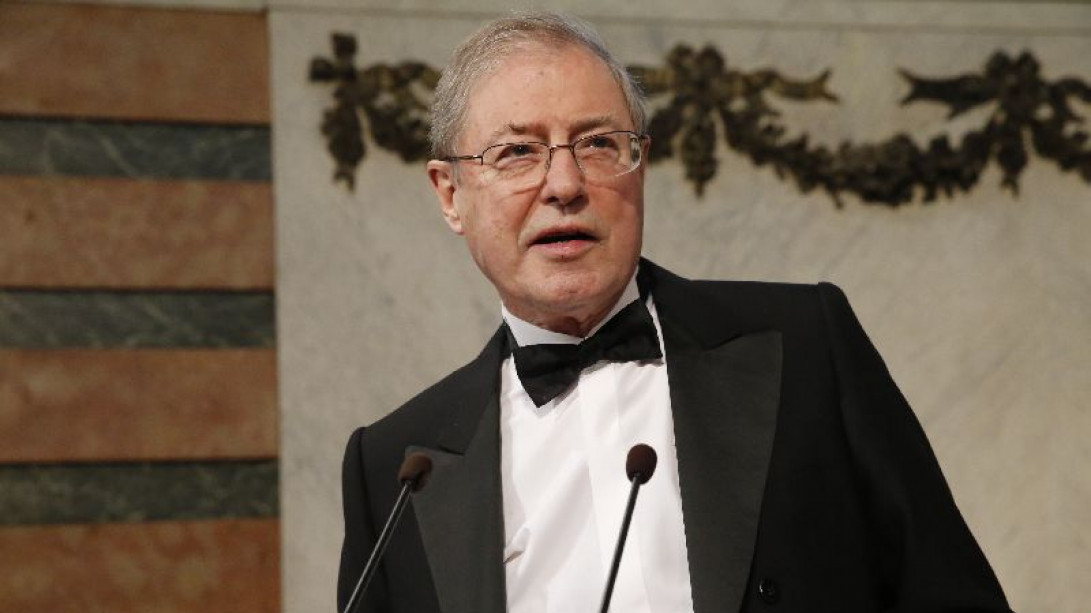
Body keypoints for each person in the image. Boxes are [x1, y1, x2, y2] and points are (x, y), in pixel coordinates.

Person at [338, 11, 1012, 613]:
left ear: (640, 165)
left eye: (599, 143)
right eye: (517, 152)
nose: (566, 185)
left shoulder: (806, 346)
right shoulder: (396, 465)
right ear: (449, 193)